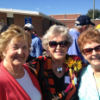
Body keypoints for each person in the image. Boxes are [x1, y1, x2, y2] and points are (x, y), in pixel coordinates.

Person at [28, 24, 83, 100]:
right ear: (47, 47)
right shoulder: (39, 64)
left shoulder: (76, 62)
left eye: (63, 44)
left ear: (68, 46)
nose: (58, 47)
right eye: (53, 44)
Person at [0, 24, 42, 100]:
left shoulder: (29, 70)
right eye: (15, 47)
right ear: (4, 50)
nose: (20, 52)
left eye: (24, 47)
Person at [77, 28, 100, 100]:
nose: (94, 53)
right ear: (83, 54)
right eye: (88, 50)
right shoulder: (82, 74)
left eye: (98, 48)